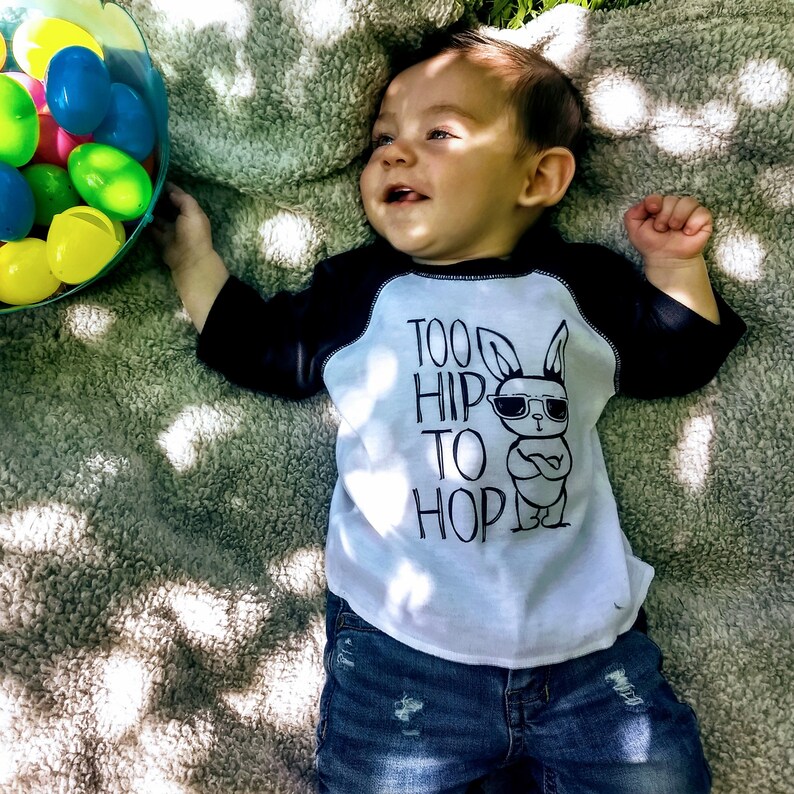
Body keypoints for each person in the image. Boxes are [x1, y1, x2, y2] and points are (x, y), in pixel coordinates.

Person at [152, 28, 745, 794]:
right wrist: (194, 258)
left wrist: (674, 267)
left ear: (539, 178)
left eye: (439, 133)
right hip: (405, 648)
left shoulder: (580, 288)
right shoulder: (360, 292)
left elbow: (679, 357)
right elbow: (262, 348)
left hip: (588, 650)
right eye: (382, 140)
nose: (394, 154)